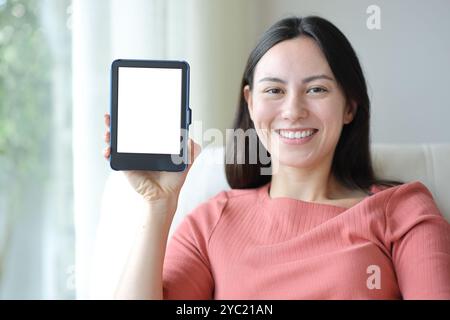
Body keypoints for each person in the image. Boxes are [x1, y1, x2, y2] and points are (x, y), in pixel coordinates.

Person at [103, 16, 450, 299]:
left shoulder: (403, 210)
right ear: (251, 102)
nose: (293, 110)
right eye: (274, 90)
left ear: (349, 106)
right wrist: (158, 205)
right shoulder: (212, 221)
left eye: (317, 89)